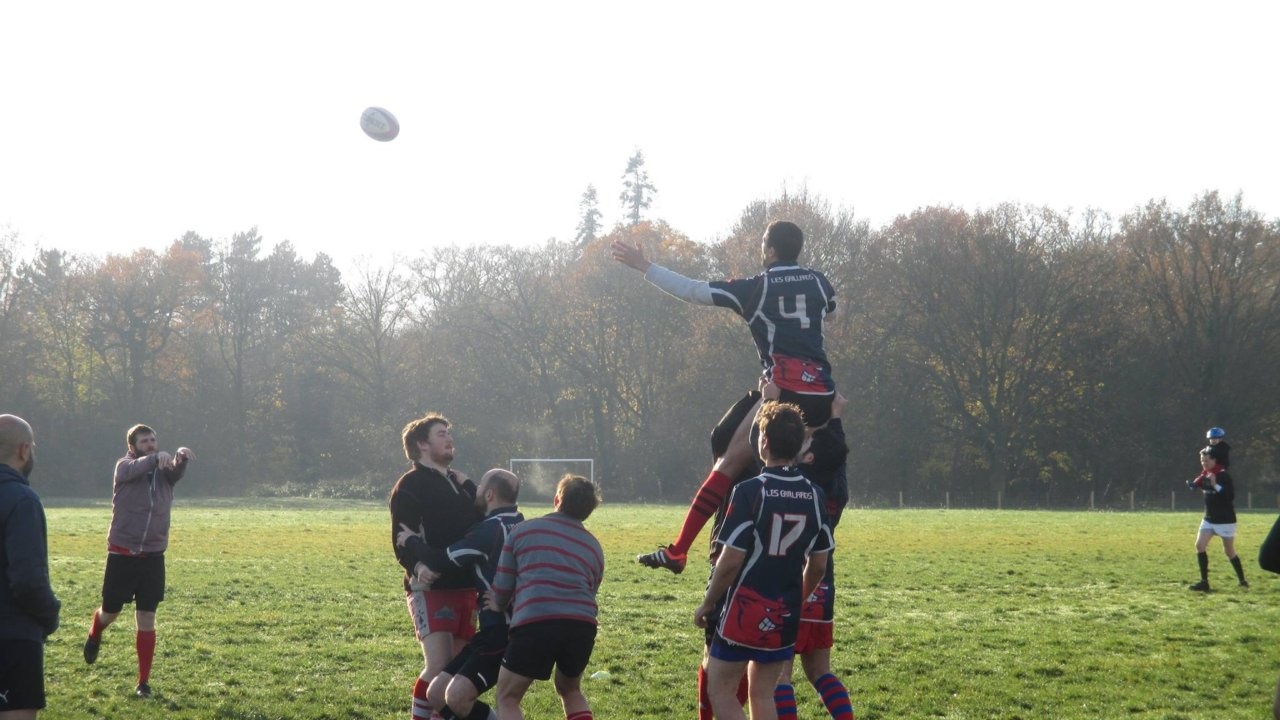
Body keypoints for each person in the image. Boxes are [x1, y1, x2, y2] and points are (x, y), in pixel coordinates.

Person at [613, 220, 838, 574]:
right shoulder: (819, 282)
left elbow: (693, 290)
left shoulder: (755, 288)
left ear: (770, 250)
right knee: (811, 474)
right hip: (823, 394)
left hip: (783, 392)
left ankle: (679, 550)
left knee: (729, 463)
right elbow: (832, 310)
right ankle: (813, 559)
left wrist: (645, 266)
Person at [694, 401, 832, 720]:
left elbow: (730, 561)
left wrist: (708, 603)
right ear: (798, 445)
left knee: (721, 691)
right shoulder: (815, 495)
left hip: (744, 608)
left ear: (764, 442)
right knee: (763, 694)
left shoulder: (749, 491)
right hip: (785, 612)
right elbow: (819, 565)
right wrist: (798, 600)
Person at [396, 468, 524, 720]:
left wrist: (410, 540)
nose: (474, 491)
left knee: (456, 697)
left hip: (502, 632)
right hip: (495, 630)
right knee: (436, 693)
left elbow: (440, 560)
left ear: (489, 494)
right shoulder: (521, 523)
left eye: (479, 487)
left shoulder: (489, 530)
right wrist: (468, 483)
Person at [82, 424, 193, 699]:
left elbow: (175, 473)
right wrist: (153, 459)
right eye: (145, 441)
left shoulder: (164, 471)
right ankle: (96, 630)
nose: (151, 444)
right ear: (132, 446)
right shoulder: (124, 466)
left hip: (153, 556)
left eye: (153, 440)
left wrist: (181, 458)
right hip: (122, 553)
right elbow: (135, 468)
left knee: (147, 617)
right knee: (111, 613)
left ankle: (143, 683)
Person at [390, 413, 483, 720]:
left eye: (448, 433)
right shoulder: (410, 485)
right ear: (422, 444)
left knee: (455, 671)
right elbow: (401, 538)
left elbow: (485, 515)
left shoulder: (460, 483)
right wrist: (417, 566)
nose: (449, 438)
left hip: (467, 586)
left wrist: (468, 484)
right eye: (441, 434)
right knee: (439, 666)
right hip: (432, 588)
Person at [489, 475, 605, 720]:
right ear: (588, 511)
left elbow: (503, 586)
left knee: (508, 697)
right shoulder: (594, 546)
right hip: (582, 625)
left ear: (557, 499)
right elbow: (591, 590)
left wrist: (496, 603)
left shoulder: (523, 531)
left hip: (536, 621)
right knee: (570, 690)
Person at [775, 396, 855, 720]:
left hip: (787, 584)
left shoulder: (794, 484)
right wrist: (835, 417)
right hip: (822, 583)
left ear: (808, 456)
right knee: (821, 671)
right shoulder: (836, 487)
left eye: (806, 442)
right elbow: (837, 453)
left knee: (779, 675)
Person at [0, 414, 60, 719]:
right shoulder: (22, 499)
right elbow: (27, 581)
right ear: (24, 450)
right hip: (12, 637)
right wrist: (50, 615)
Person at [1187, 448, 1247, 592]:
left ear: (1214, 460)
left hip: (1225, 520)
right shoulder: (1205, 474)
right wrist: (1193, 485)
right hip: (1209, 518)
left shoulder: (1223, 476)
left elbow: (1229, 496)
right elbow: (1200, 485)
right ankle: (1204, 582)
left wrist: (1215, 485)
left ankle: (1242, 581)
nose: (1204, 463)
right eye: (1202, 461)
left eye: (1206, 460)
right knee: (1199, 546)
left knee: (1229, 551)